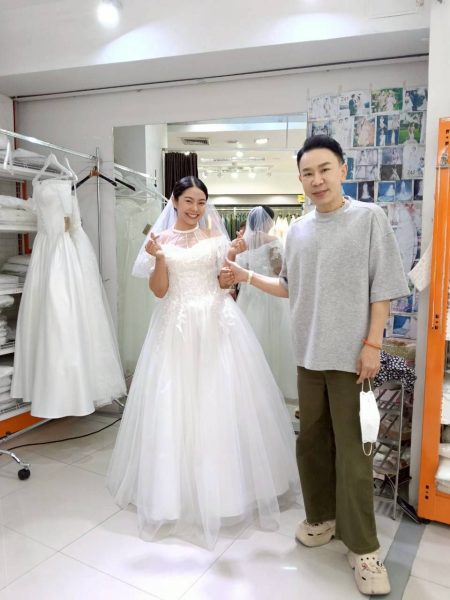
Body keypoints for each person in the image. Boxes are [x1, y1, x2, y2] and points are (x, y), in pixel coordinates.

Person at [225, 135, 409, 596]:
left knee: (355, 452)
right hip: (307, 356)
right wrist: (246, 275)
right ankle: (322, 517)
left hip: (352, 360)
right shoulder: (299, 231)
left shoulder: (369, 218)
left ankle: (363, 547)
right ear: (301, 179)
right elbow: (289, 286)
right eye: (307, 173)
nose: (317, 179)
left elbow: (383, 288)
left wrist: (373, 344)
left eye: (324, 169)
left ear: (342, 170)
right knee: (310, 443)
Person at [107, 176, 300, 549]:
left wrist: (232, 260)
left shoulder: (215, 237)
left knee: (219, 401)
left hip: (217, 322)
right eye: (189, 201)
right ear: (175, 202)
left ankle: (228, 493)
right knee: (176, 405)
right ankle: (173, 495)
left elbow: (225, 283)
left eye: (201, 202)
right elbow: (159, 291)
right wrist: (159, 259)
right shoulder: (160, 240)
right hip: (176, 325)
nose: (195, 209)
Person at [236, 206, 298, 400]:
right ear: (269, 221)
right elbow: (279, 269)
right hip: (270, 293)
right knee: (275, 338)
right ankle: (274, 385)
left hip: (248, 295)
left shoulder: (244, 243)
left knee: (251, 338)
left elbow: (241, 268)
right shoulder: (272, 241)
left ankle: (251, 387)